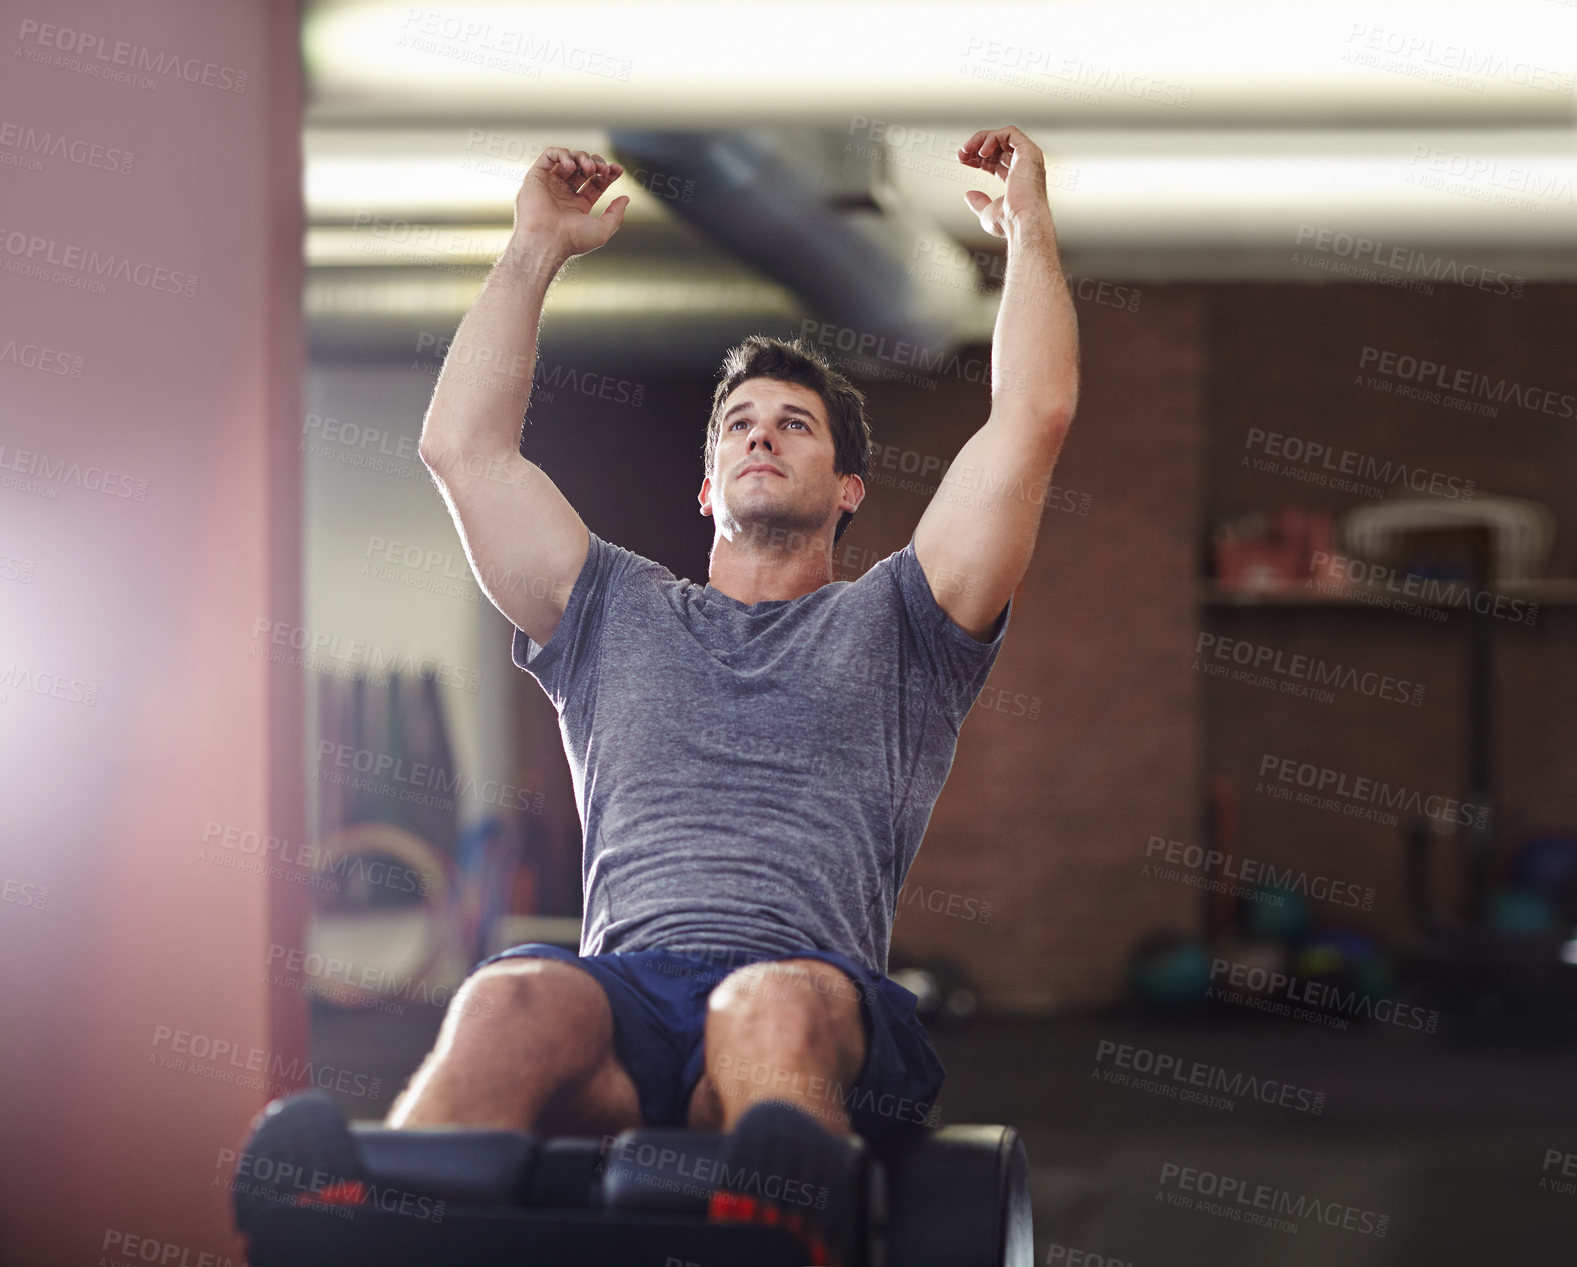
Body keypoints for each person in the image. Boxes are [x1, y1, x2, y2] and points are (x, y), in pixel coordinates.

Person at [392, 125, 1079, 1264]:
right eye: (739, 424)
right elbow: (463, 451)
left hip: (813, 1010)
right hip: (622, 1009)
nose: (762, 429)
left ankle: (787, 1234)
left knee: (757, 1008)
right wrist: (532, 250)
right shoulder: (611, 610)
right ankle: (377, 1233)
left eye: (793, 424)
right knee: (510, 998)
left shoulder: (904, 619)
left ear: (846, 486)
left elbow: (1031, 419)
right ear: (708, 487)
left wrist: (1028, 230)